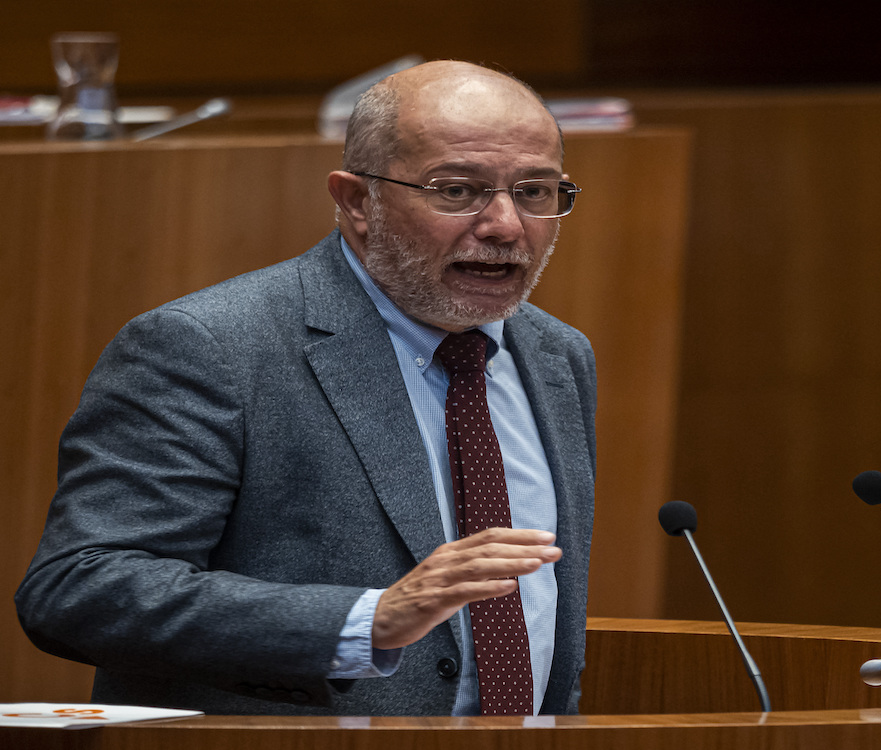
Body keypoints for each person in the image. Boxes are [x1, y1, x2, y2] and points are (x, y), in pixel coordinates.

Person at [15, 61, 595, 717]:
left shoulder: (556, 356)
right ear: (356, 201)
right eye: (458, 191)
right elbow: (79, 589)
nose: (506, 226)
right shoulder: (211, 347)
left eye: (536, 193)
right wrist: (365, 620)